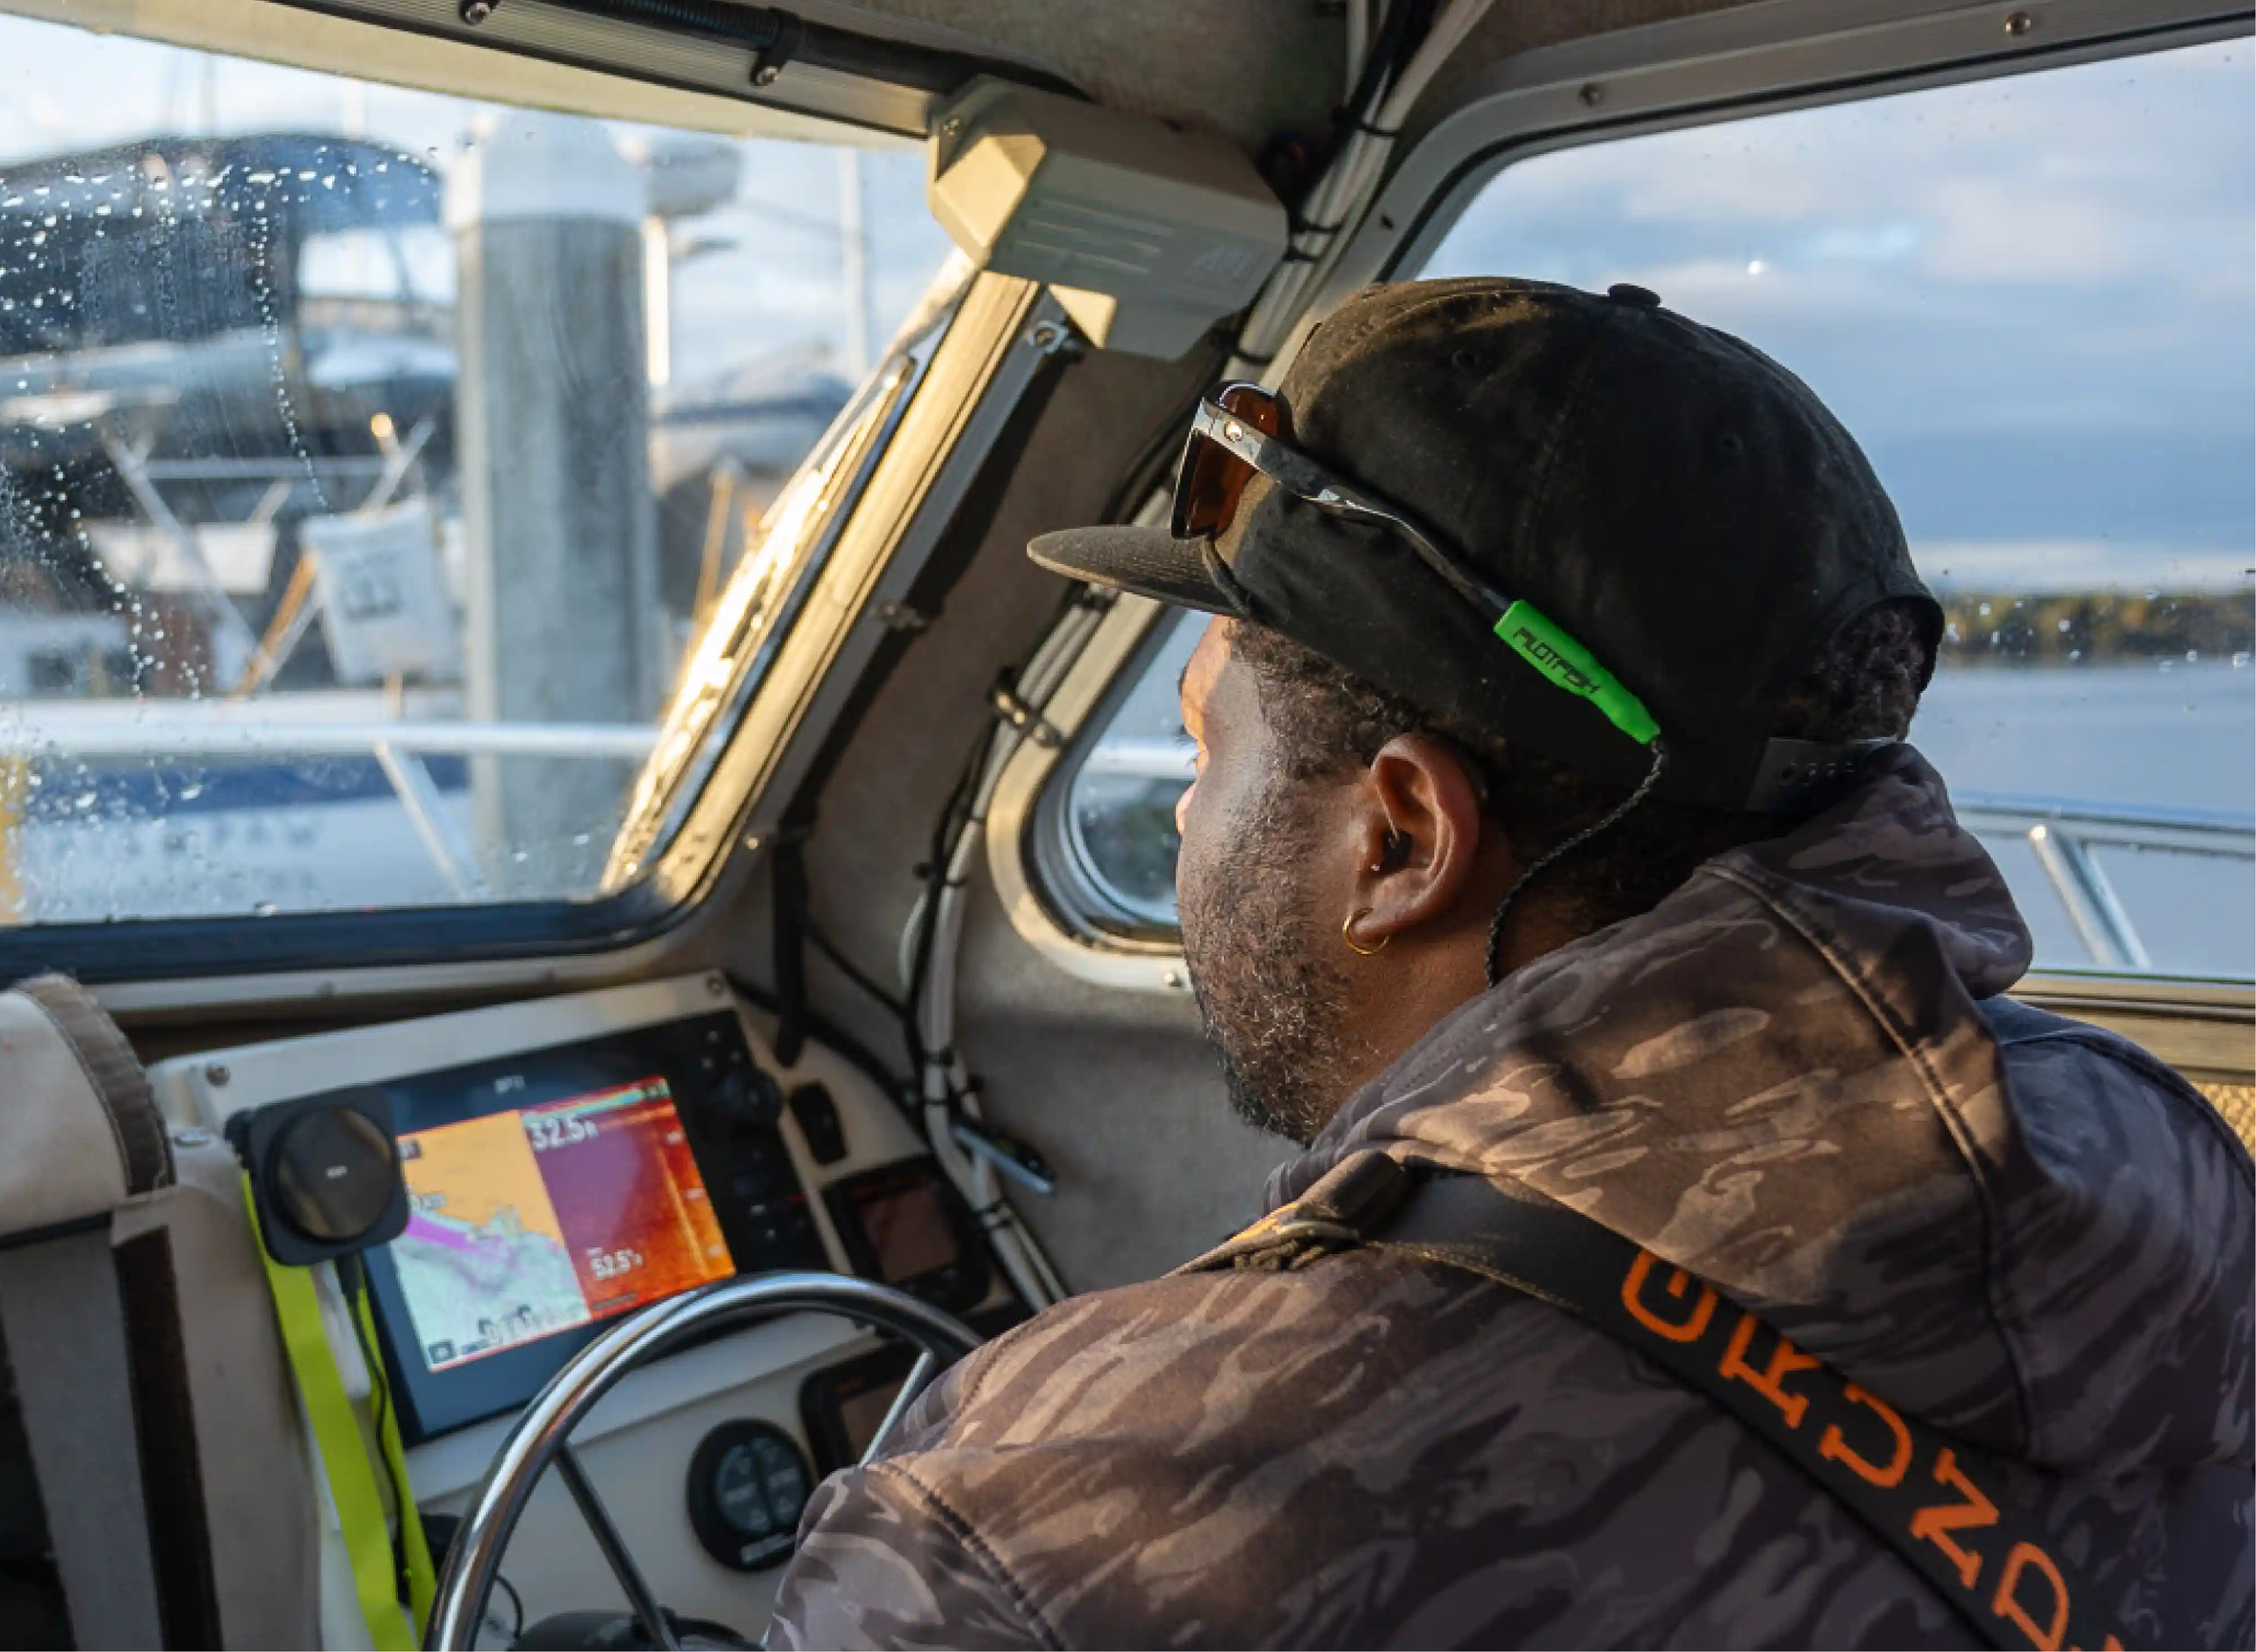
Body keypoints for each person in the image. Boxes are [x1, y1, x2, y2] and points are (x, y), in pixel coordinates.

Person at [764, 278, 2256, 1650]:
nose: (1180, 815)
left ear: (1401, 838)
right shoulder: (2164, 1165)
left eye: (1201, 748)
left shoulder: (1031, 1540)